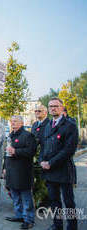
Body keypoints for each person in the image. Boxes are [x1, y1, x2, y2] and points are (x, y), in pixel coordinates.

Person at [40, 98, 78, 230]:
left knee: (69, 202)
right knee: (54, 202)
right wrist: (42, 161)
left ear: (62, 108)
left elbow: (69, 150)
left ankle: (72, 227)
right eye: (50, 106)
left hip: (63, 170)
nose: (53, 108)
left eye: (56, 106)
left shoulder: (70, 125)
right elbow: (44, 147)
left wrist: (51, 162)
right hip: (49, 171)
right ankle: (57, 225)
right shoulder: (48, 126)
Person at [4, 116, 36, 230]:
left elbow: (32, 151)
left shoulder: (28, 135)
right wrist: (4, 167)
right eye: (11, 121)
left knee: (26, 197)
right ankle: (19, 216)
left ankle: (28, 220)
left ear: (22, 123)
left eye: (15, 121)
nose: (13, 123)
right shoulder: (10, 135)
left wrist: (16, 151)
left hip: (23, 171)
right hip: (11, 170)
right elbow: (6, 153)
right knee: (15, 195)